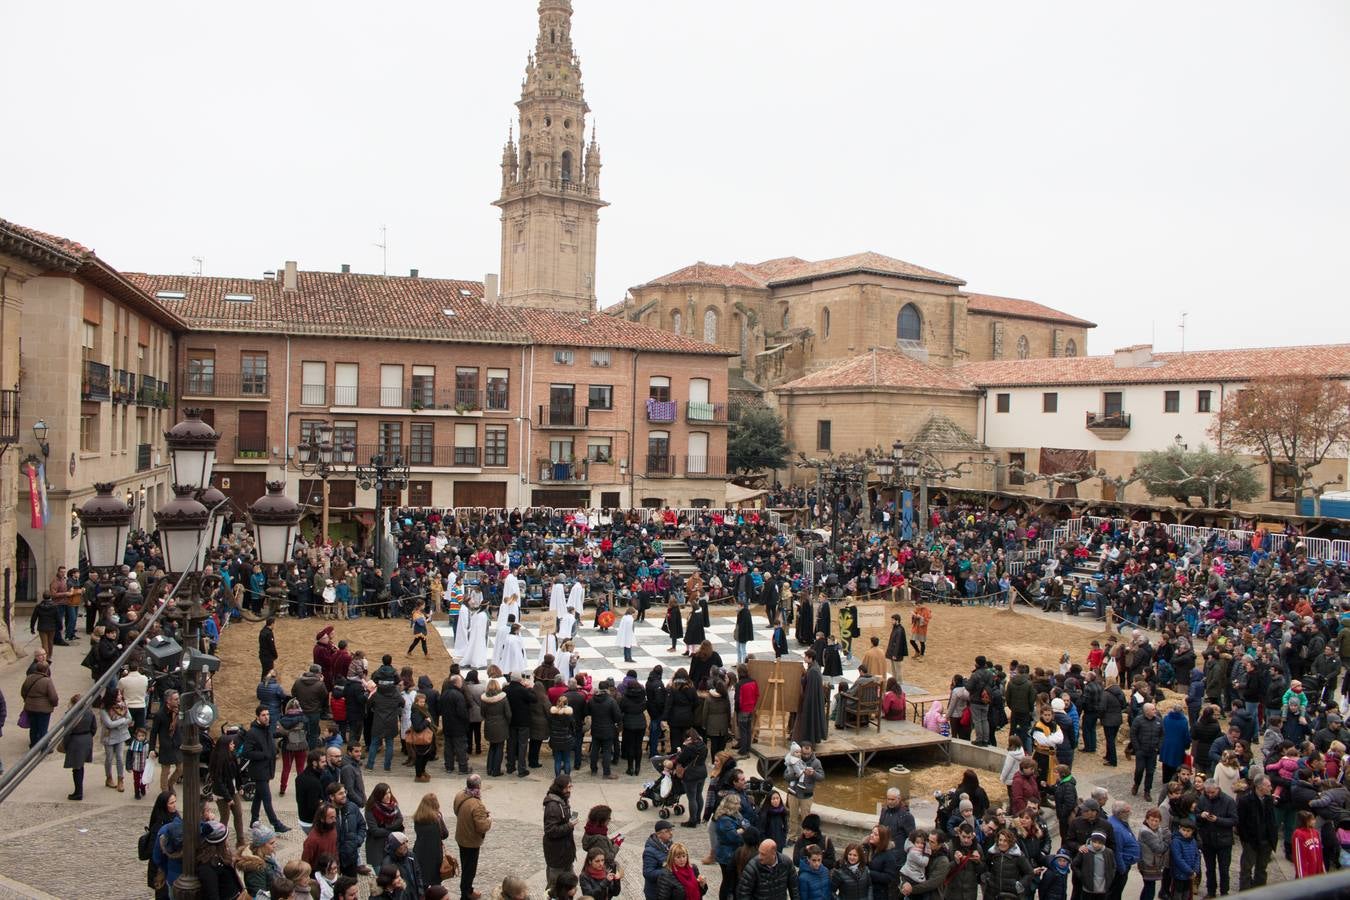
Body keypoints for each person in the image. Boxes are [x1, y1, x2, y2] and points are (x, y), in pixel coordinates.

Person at [242, 704, 289, 832]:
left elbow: (270, 744)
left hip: (268, 768)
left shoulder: (267, 729)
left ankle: (253, 820)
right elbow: (246, 752)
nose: (266, 717)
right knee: (267, 798)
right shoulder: (252, 732)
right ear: (257, 716)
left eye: (268, 714)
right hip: (259, 770)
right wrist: (264, 755)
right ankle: (276, 824)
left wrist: (274, 750)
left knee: (258, 796)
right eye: (263, 715)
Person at [1193, 778, 1237, 897]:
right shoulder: (1203, 799)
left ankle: (1224, 893)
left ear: (1218, 789)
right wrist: (1201, 815)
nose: (1210, 795)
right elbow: (1195, 815)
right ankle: (1211, 892)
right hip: (1208, 840)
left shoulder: (1228, 801)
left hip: (1224, 841)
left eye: (1212, 792)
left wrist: (1218, 820)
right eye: (1208, 792)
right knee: (1210, 869)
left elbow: (1234, 820)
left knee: (1224, 870)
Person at [1236, 774, 1277, 890]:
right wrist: (1246, 839)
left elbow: (1272, 820)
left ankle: (1259, 892)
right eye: (1268, 786)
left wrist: (1272, 838)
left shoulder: (1269, 800)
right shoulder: (1245, 801)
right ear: (1259, 787)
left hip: (1266, 840)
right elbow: (1241, 823)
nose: (1271, 788)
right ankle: (1245, 893)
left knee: (1262, 868)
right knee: (1246, 868)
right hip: (1251, 841)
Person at [455, 773, 492, 900]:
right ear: (479, 786)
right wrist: (489, 820)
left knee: (466, 865)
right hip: (471, 841)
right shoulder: (477, 804)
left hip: (461, 836)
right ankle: (465, 894)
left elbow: (457, 810)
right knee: (469, 870)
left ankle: (468, 889)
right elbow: (482, 827)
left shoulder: (460, 795)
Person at [543, 774, 579, 890]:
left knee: (570, 885)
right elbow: (550, 831)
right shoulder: (553, 806)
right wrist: (569, 825)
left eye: (570, 787)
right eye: (567, 787)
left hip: (565, 853)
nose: (569, 790)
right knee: (554, 887)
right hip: (557, 855)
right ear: (560, 788)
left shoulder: (562, 800)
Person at [197, 820, 244, 900]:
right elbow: (212, 896)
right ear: (221, 842)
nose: (227, 841)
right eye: (226, 839)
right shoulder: (207, 867)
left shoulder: (222, 856)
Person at [61, 693, 95, 800]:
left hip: (76, 741)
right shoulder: (89, 713)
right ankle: (78, 790)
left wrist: (65, 745)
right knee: (80, 766)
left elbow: (66, 732)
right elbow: (94, 728)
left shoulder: (70, 715)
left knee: (76, 768)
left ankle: (78, 792)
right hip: (87, 739)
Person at [414, 792, 451, 889]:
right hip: (434, 854)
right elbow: (445, 834)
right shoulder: (436, 819)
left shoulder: (417, 818)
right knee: (435, 883)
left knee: (423, 880)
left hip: (420, 852)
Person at [365, 783, 405, 871]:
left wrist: (385, 826)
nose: (388, 796)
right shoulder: (371, 809)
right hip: (377, 847)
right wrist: (394, 832)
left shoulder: (393, 805)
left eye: (389, 793)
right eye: (385, 794)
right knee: (382, 876)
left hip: (392, 846)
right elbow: (375, 831)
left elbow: (400, 819)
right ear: (379, 795)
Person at [792, 650, 828, 745]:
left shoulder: (813, 671)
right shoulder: (812, 668)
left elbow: (810, 689)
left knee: (808, 719)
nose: (804, 658)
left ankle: (807, 739)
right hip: (809, 699)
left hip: (810, 701)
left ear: (810, 658)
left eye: (806, 657)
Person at [97, 694, 131, 793]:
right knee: (109, 758)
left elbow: (129, 718)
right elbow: (109, 724)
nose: (121, 696)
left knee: (120, 757)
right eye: (118, 694)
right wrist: (123, 720)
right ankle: (109, 778)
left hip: (121, 735)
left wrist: (122, 721)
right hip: (109, 737)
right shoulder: (104, 709)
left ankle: (120, 779)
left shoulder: (123, 706)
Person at [20, 661, 58, 747]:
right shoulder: (47, 681)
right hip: (43, 710)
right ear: (47, 670)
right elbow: (53, 697)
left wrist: (27, 700)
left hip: (30, 707)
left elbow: (23, 692)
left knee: (33, 728)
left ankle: (33, 745)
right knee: (43, 729)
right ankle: (44, 747)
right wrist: (54, 704)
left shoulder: (29, 678)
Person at [675, 728, 709, 828]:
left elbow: (680, 760)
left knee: (692, 798)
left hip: (691, 774)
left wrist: (683, 748)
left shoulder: (689, 747)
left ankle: (692, 821)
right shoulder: (703, 745)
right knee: (699, 795)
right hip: (702, 772)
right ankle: (698, 818)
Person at [1130, 703, 1163, 802]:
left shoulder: (1158, 720)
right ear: (1147, 711)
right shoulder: (1138, 720)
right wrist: (1137, 748)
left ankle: (1147, 791)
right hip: (1141, 751)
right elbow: (1133, 734)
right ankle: (1136, 784)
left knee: (1150, 772)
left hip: (1152, 751)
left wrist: (1159, 747)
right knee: (1139, 770)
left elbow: (1162, 735)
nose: (1155, 711)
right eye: (1153, 709)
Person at [1070, 831, 1116, 900]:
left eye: (1100, 843)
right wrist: (1082, 876)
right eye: (1095, 842)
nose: (1096, 845)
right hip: (1088, 887)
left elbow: (1113, 866)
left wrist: (1110, 877)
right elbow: (1074, 865)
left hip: (1103, 887)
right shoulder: (1085, 851)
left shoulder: (1108, 852)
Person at [644, 821, 676, 900]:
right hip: (655, 893)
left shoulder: (670, 844)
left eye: (671, 830)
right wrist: (669, 871)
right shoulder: (649, 851)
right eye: (667, 831)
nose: (671, 833)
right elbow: (648, 873)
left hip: (667, 890)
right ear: (659, 834)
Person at [1168, 819, 1200, 900]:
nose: (1185, 833)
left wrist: (1195, 870)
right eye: (1183, 830)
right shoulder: (1176, 841)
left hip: (1190, 874)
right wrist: (1190, 871)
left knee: (1187, 893)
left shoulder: (1193, 841)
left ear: (1192, 831)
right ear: (1179, 828)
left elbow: (1197, 855)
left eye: (1188, 831)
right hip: (1179, 874)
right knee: (1177, 894)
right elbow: (1178, 859)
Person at [1290, 809, 1325, 877]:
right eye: (1311, 819)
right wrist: (1302, 876)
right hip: (1306, 873)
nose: (1314, 821)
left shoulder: (1315, 832)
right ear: (1304, 821)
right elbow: (1298, 857)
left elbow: (1320, 853)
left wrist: (1322, 870)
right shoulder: (1298, 834)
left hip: (1316, 871)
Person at [259, 616, 279, 680]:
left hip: (262, 655)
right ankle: (265, 687)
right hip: (267, 657)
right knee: (268, 673)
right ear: (272, 624)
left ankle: (262, 685)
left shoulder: (262, 631)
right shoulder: (269, 633)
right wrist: (275, 655)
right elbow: (271, 646)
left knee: (264, 671)